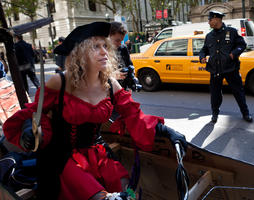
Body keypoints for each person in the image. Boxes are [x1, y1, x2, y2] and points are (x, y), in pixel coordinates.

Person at [3, 22, 187, 200]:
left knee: (129, 193)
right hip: (61, 158)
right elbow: (36, 114)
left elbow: (133, 115)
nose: (104, 51)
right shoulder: (59, 82)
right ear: (79, 54)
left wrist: (164, 130)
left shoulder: (110, 84)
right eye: (96, 47)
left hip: (98, 152)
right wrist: (29, 128)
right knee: (103, 197)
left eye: (105, 46)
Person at [199, 11, 252, 123]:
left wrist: (233, 54)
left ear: (217, 19)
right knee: (215, 94)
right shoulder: (209, 36)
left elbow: (241, 45)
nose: (208, 22)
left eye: (210, 20)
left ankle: (245, 113)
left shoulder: (231, 32)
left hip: (230, 68)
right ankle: (214, 113)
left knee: (238, 92)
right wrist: (202, 56)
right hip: (215, 69)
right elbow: (204, 50)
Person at [109, 21, 139, 91]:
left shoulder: (123, 48)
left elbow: (130, 65)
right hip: (109, 91)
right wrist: (112, 76)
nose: (120, 44)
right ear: (108, 36)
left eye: (121, 41)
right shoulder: (101, 52)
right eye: (117, 40)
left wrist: (132, 76)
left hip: (123, 89)